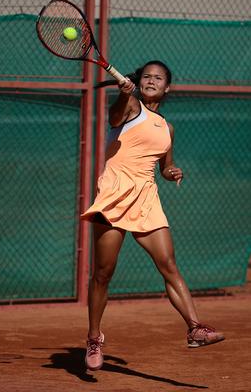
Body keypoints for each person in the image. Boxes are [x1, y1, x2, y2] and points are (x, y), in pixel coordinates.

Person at [80, 60, 224, 371]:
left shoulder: (167, 127)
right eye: (146, 76)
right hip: (116, 195)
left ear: (166, 87)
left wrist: (172, 172)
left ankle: (195, 327)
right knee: (103, 273)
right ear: (139, 82)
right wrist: (122, 95)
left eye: (158, 78)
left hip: (147, 198)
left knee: (169, 265)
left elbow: (163, 166)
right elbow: (113, 117)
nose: (151, 80)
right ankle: (94, 337)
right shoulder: (130, 105)